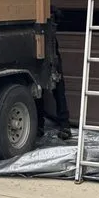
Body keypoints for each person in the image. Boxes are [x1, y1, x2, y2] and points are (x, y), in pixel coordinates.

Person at [37, 7, 72, 140]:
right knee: (38, 91)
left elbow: (59, 14)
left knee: (58, 89)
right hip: (36, 52)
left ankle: (64, 125)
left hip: (51, 53)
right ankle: (39, 126)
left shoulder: (45, 5)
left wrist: (52, 13)